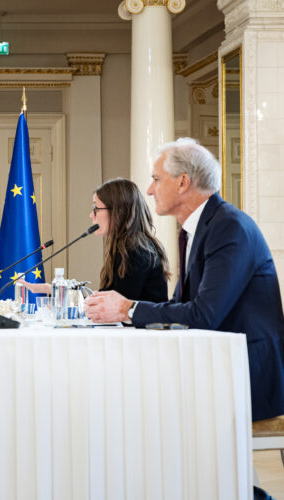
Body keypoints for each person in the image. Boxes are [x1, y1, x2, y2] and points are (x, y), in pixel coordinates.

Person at [85, 138, 284, 422]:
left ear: (182, 182)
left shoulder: (228, 227)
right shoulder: (199, 229)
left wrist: (127, 309)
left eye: (156, 179)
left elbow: (205, 314)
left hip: (246, 375)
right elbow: (181, 306)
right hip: (216, 367)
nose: (150, 190)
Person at [22, 178, 169, 302]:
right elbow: (106, 298)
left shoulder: (137, 250)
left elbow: (113, 307)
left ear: (118, 211)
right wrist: (55, 291)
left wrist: (63, 298)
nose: (91, 215)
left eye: (96, 208)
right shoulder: (126, 246)